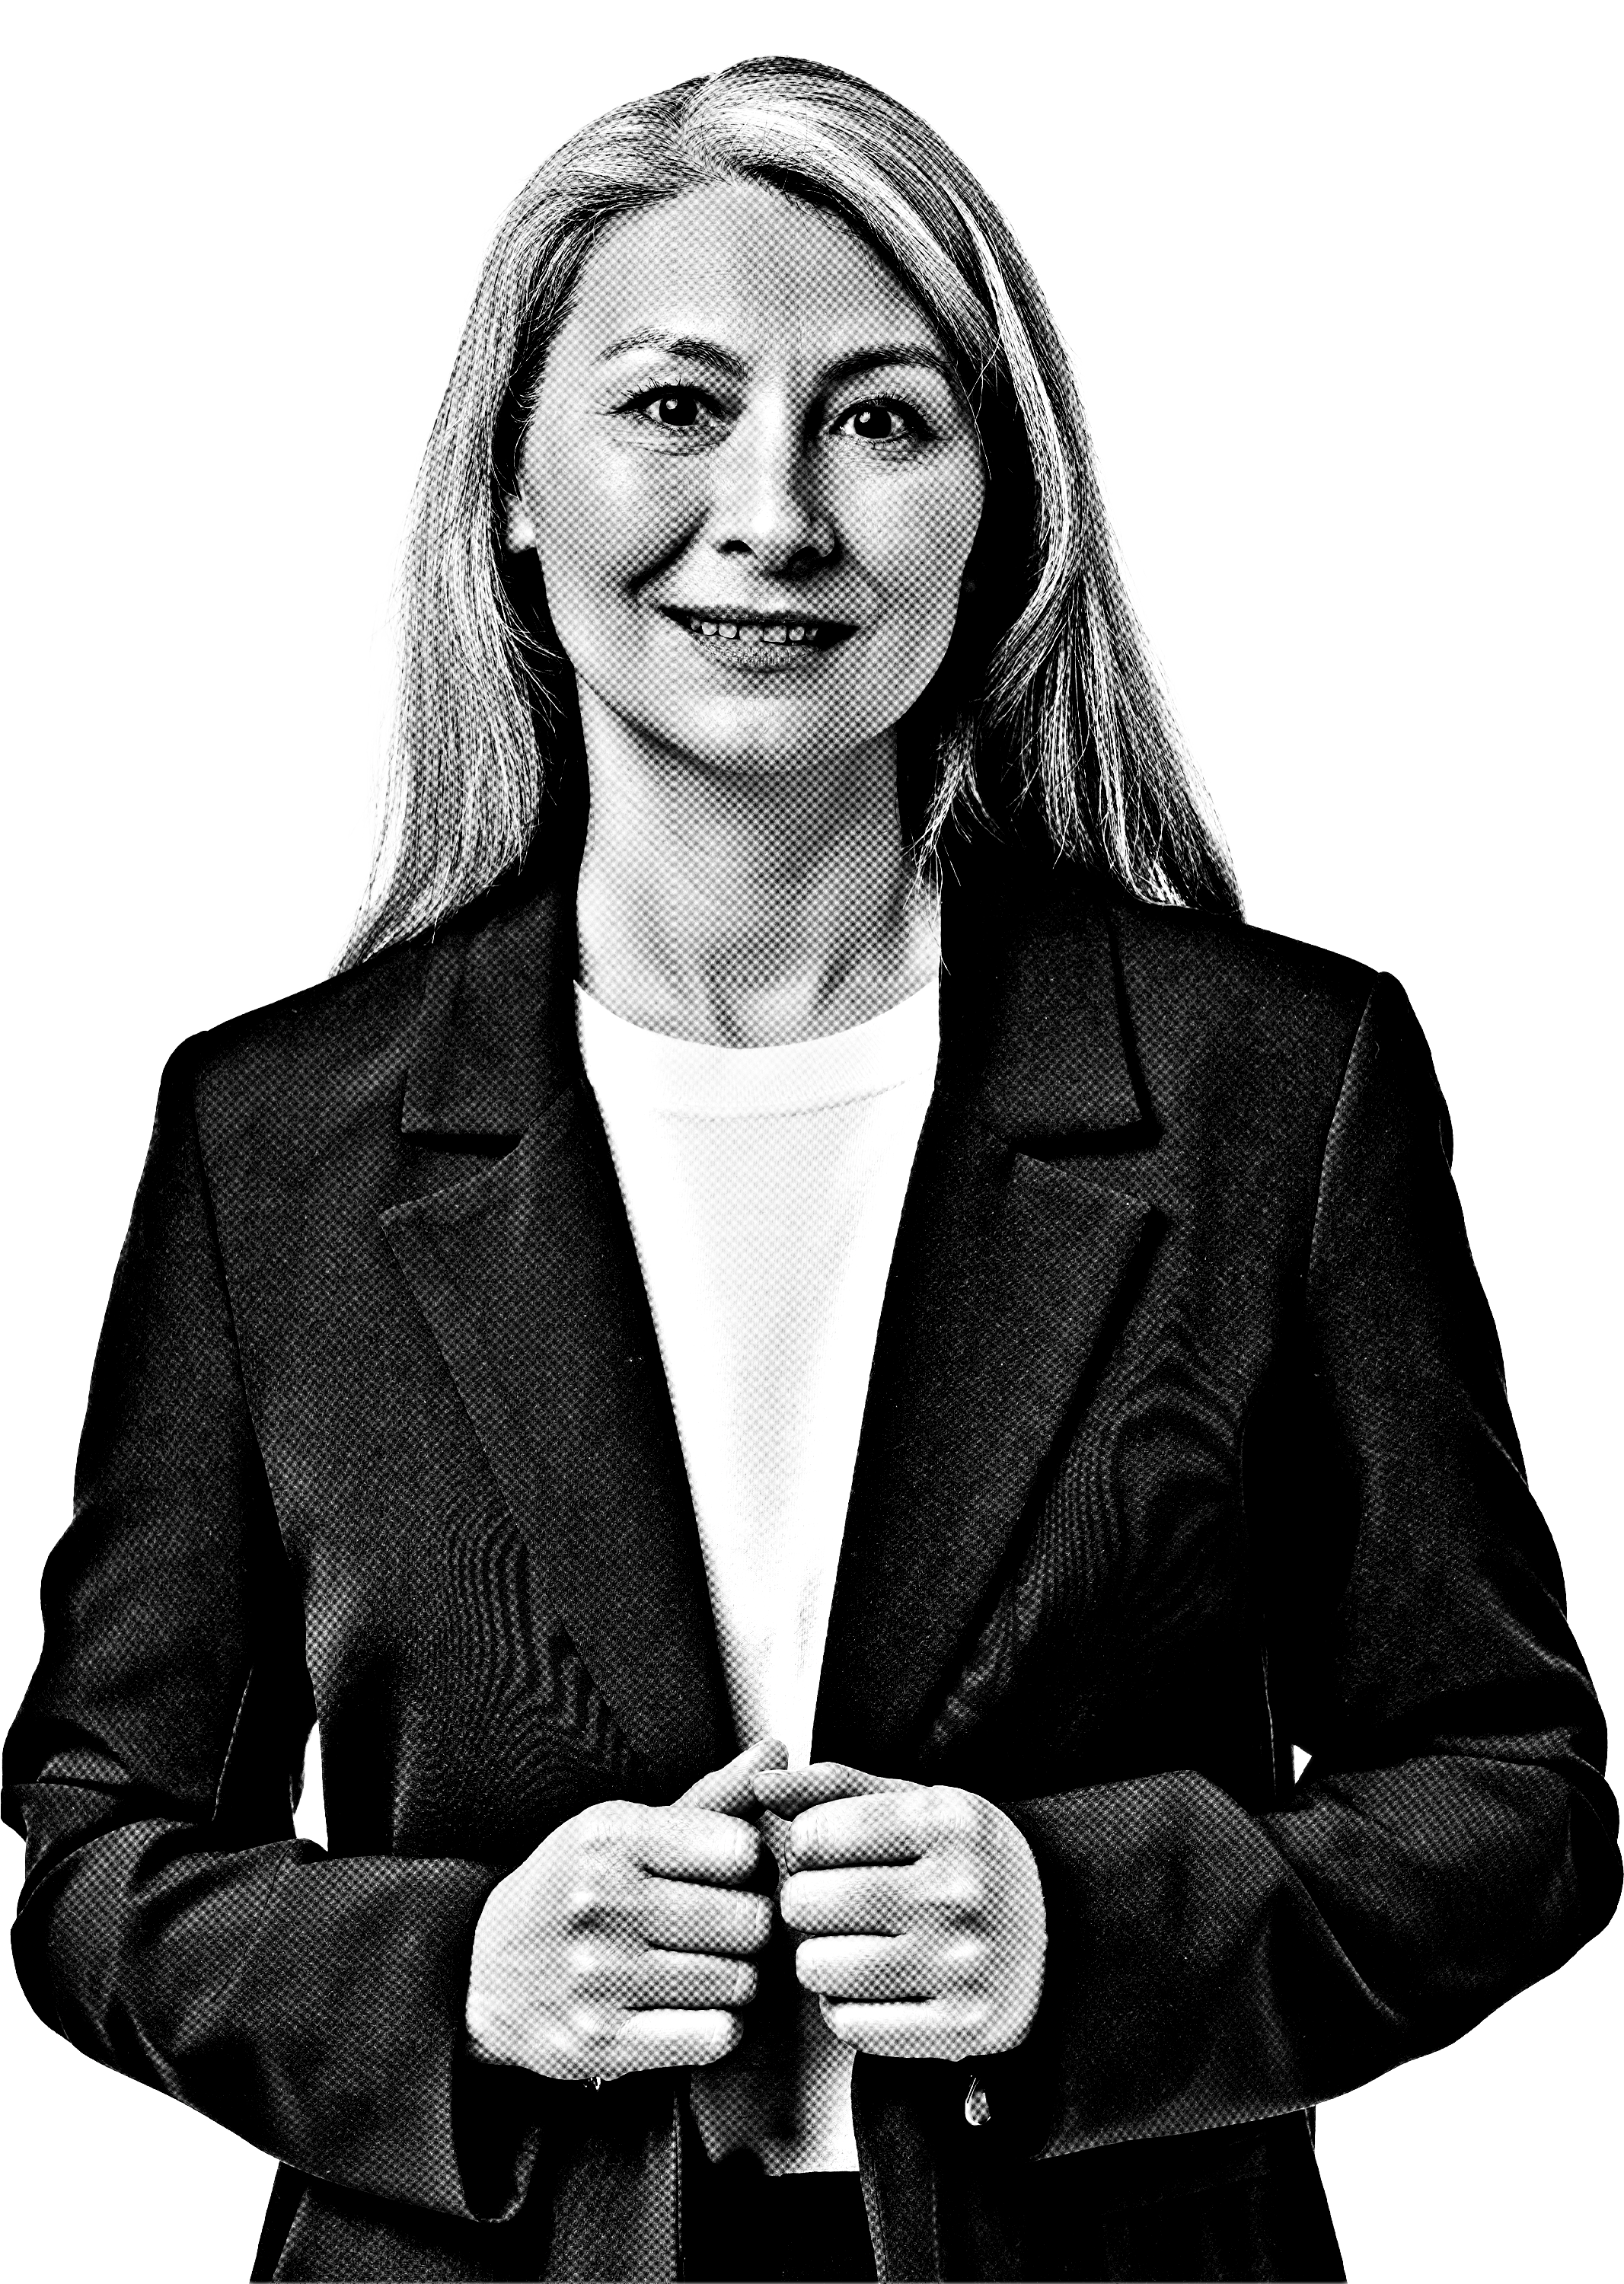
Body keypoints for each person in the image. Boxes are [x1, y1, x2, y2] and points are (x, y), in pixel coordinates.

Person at [3, 53, 1617, 2284]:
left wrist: (1085, 1923)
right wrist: (452, 1973)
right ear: (506, 484)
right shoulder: (271, 1135)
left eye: (878, 417)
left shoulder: (1276, 1085)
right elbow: (97, 1849)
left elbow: (1509, 1790)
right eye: (673, 406)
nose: (773, 512)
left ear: (998, 505)